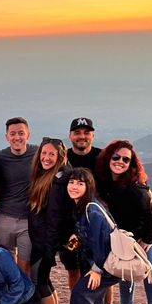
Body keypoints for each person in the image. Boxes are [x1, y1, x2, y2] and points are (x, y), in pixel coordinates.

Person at [95, 140, 152, 304]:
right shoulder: (104, 182)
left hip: (142, 236)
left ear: (131, 163)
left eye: (125, 159)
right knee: (125, 271)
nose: (120, 162)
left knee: (151, 272)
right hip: (121, 237)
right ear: (108, 158)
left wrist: (148, 239)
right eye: (116, 157)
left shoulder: (135, 186)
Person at [63, 168, 122, 304]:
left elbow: (101, 243)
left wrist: (97, 269)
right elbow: (88, 237)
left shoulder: (92, 210)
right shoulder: (83, 207)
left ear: (89, 187)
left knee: (81, 293)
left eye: (80, 183)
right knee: (93, 297)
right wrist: (73, 242)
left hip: (106, 266)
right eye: (72, 182)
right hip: (105, 264)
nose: (74, 186)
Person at [27, 137, 72, 304]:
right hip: (43, 240)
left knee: (38, 280)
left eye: (51, 154)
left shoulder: (58, 181)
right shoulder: (48, 176)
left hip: (45, 241)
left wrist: (49, 248)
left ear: (60, 156)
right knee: (44, 280)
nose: (46, 157)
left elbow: (55, 219)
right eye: (43, 153)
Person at [0, 117, 39, 274]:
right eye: (12, 134)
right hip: (4, 218)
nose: (17, 137)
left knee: (24, 265)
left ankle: (23, 297)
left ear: (28, 135)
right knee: (6, 263)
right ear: (7, 137)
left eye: (21, 133)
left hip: (28, 220)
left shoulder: (38, 153)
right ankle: (11, 296)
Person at [62, 117, 101, 291]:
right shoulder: (63, 159)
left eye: (86, 133)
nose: (82, 136)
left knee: (100, 266)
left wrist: (145, 188)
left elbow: (124, 172)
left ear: (92, 135)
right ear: (70, 136)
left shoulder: (102, 157)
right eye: (77, 133)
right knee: (73, 267)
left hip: (94, 222)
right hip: (69, 223)